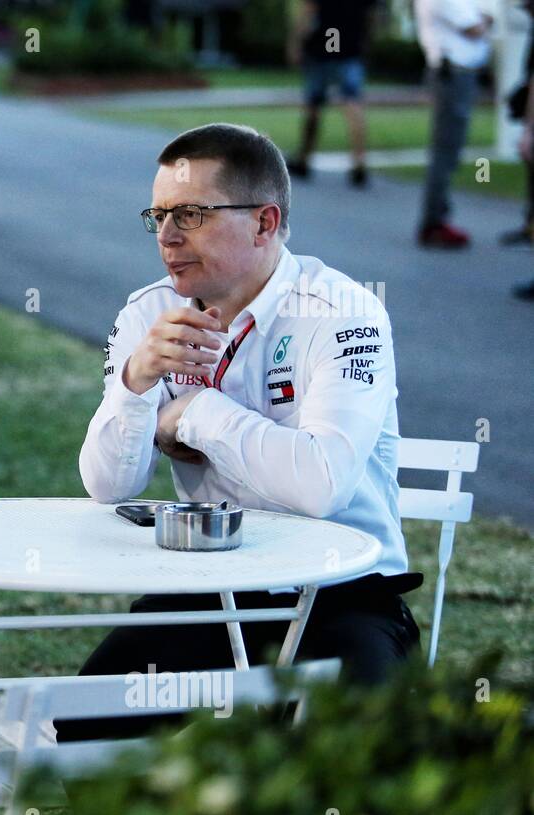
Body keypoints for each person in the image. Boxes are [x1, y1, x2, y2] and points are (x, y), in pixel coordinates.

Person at [60, 123, 421, 742]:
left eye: (192, 215)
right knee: (91, 720)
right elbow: (108, 487)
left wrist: (194, 415)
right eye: (159, 216)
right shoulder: (147, 313)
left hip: (341, 591)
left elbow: (322, 486)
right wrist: (135, 384)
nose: (167, 237)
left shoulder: (342, 312)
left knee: (352, 746)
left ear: (264, 222)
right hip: (210, 588)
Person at [414, 0, 492, 249]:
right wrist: (486, 20)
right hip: (453, 75)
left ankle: (437, 217)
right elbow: (473, 26)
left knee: (447, 149)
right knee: (446, 150)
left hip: (455, 75)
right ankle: (434, 222)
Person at [284, 0, 377, 188]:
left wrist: (295, 42)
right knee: (352, 104)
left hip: (324, 46)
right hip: (350, 47)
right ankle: (359, 162)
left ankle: (304, 158)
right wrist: (365, 42)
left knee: (314, 104)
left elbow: (308, 11)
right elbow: (372, 16)